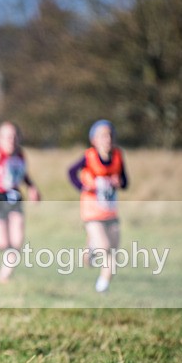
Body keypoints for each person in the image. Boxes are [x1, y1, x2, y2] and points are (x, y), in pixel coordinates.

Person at [67, 119, 128, 293]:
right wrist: (83, 187)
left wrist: (118, 182)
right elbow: (71, 172)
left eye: (109, 135)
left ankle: (103, 284)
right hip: (92, 211)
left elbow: (125, 181)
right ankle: (92, 248)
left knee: (114, 250)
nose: (107, 139)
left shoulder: (118, 156)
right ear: (94, 140)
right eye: (102, 136)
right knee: (105, 247)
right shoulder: (89, 156)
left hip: (110, 210)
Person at [0, 121, 40, 282]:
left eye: (13, 136)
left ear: (19, 138)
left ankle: (4, 275)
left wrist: (32, 188)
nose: (10, 140)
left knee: (17, 240)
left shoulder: (20, 155)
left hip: (15, 198)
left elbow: (23, 174)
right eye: (6, 137)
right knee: (3, 242)